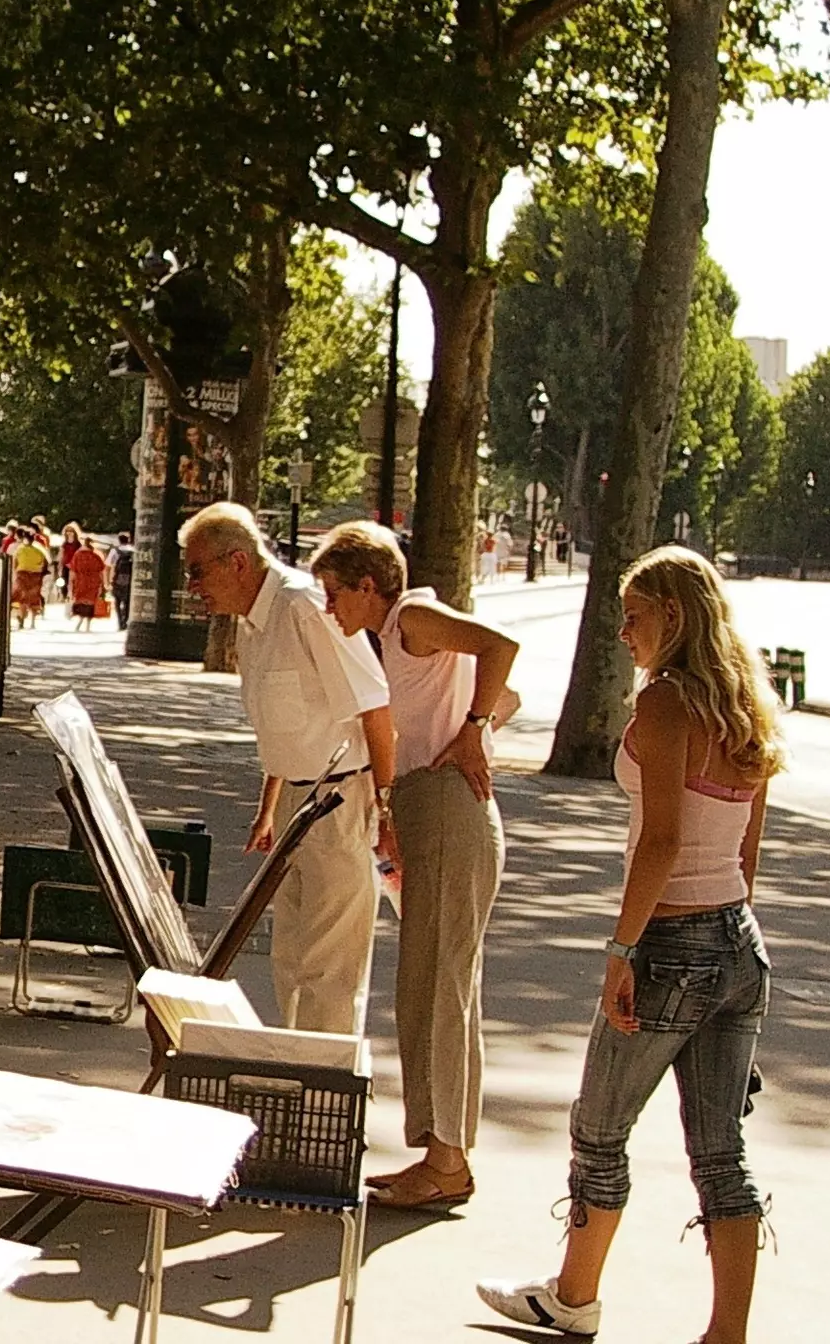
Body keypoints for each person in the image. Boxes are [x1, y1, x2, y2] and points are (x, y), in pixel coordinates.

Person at [477, 545, 783, 1343]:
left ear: (674, 617)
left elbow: (662, 844)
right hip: (738, 942)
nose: (624, 632)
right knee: (721, 1151)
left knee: (600, 1128)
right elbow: (746, 848)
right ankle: (729, 1332)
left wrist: (623, 951)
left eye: (636, 615)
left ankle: (573, 1299)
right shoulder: (747, 703)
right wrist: (725, 936)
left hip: (674, 942)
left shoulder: (667, 703)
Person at [310, 521, 520, 1210]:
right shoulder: (394, 638)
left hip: (455, 809)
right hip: (434, 806)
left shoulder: (414, 617)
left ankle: (449, 1158)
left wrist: (474, 729)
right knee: (426, 983)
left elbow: (500, 647)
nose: (330, 607)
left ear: (368, 587)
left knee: (446, 983)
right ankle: (436, 1149)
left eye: (334, 593)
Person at [179, 502, 397, 1035]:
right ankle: (299, 1077)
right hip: (301, 805)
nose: (192, 587)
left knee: (330, 968)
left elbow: (375, 705)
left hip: (343, 798)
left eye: (197, 571)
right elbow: (284, 724)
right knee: (291, 960)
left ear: (236, 562)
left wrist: (387, 812)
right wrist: (268, 809)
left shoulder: (304, 604)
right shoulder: (252, 622)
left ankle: (326, 1090)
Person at [10, 528, 50, 628]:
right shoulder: (37, 550)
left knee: (25, 597)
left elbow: (15, 563)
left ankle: (24, 618)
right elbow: (44, 563)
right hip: (32, 575)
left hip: (25, 575)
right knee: (31, 597)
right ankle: (27, 620)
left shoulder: (20, 550)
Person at [66, 535, 107, 632]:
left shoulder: (77, 556)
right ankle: (87, 626)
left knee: (81, 602)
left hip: (80, 582)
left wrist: (70, 585)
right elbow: (101, 571)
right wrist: (103, 584)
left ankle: (79, 624)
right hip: (93, 583)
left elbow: (72, 571)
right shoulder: (96, 557)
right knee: (90, 604)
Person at [109, 531, 135, 627]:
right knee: (127, 601)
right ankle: (126, 619)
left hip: (118, 579)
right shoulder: (133, 550)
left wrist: (110, 580)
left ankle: (120, 621)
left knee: (117, 601)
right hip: (130, 580)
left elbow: (110, 565)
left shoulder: (115, 551)